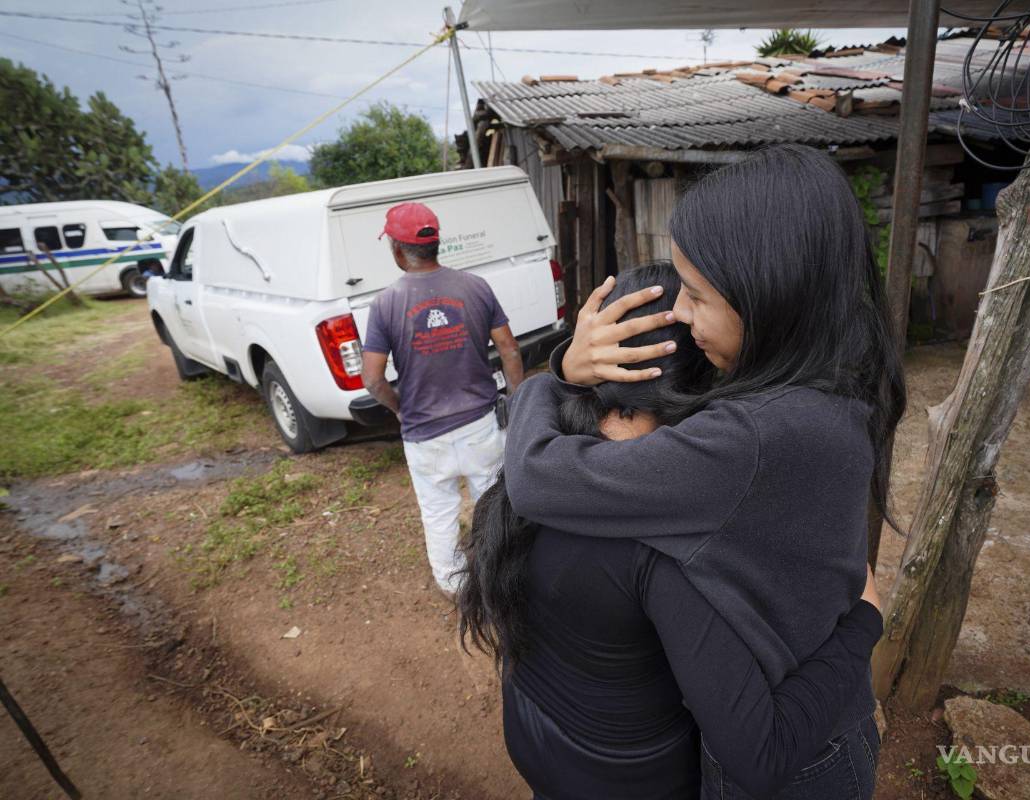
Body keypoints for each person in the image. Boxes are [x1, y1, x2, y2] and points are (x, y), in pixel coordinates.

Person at [503, 144, 906, 798]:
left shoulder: (745, 442)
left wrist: (554, 377)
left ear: (769, 295)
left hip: (798, 758)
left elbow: (534, 477)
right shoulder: (836, 377)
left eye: (696, 295)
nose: (684, 318)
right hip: (829, 725)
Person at [361, 202, 524, 599]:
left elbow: (372, 378)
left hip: (425, 436)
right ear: (437, 244)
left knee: (438, 514)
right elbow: (510, 350)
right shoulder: (475, 287)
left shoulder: (385, 304)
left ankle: (457, 589)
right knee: (494, 502)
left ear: (397, 250)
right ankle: (501, 576)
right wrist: (514, 402)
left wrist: (402, 409)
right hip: (481, 425)